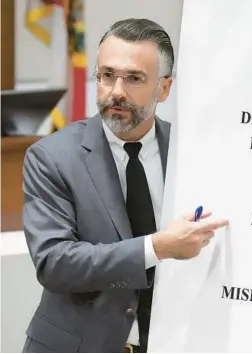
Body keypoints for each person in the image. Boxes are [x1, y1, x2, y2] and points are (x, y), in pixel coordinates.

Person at [21, 18, 229, 353]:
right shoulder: (52, 157)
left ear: (164, 88)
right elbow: (55, 263)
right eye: (107, 75)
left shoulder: (190, 153)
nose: (116, 91)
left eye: (133, 78)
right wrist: (157, 247)